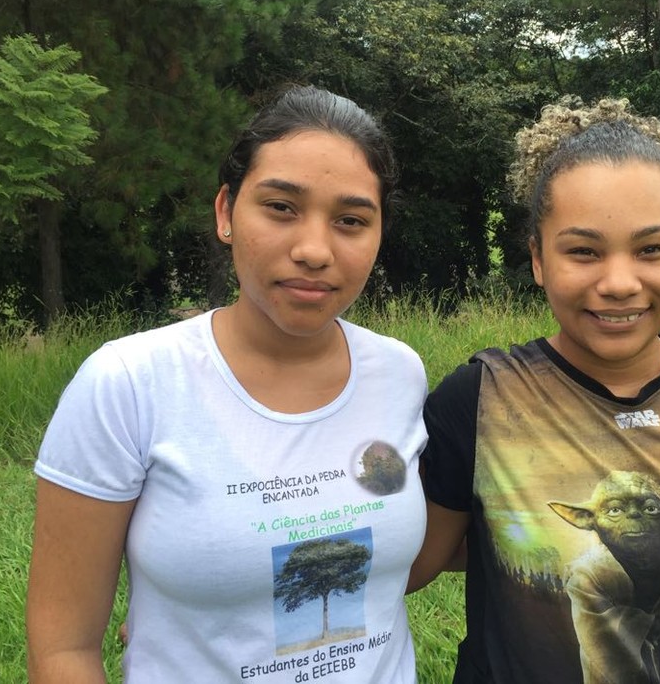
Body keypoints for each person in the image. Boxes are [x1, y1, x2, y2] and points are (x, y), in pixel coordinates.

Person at [26, 86, 429, 683]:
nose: (314, 250)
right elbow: (64, 649)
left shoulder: (399, 372)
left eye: (350, 221)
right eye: (281, 208)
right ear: (225, 213)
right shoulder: (129, 384)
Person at [408, 97, 660, 684]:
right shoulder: (480, 399)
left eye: (651, 249)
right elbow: (417, 560)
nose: (620, 283)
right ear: (539, 260)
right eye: (583, 251)